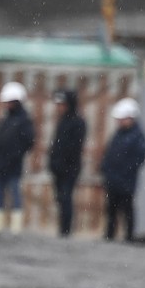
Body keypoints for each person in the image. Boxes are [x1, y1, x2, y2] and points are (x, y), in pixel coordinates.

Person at [0, 81, 36, 233]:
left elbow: (27, 143)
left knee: (15, 192)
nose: (6, 105)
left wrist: (12, 157)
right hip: (0, 165)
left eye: (9, 102)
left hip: (13, 165)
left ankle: (16, 225)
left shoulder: (24, 121)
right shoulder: (5, 120)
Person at [99, 97, 145, 241]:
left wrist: (124, 172)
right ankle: (110, 234)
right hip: (114, 179)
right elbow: (110, 154)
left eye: (122, 119)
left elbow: (139, 157)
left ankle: (129, 236)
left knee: (127, 209)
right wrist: (106, 169)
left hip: (126, 180)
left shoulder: (137, 136)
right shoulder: (119, 135)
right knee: (111, 209)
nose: (119, 122)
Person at [48, 88, 87, 237]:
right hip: (58, 168)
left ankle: (66, 230)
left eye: (62, 104)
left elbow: (73, 147)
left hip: (69, 168)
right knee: (60, 198)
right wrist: (53, 162)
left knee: (66, 197)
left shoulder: (78, 122)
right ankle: (62, 228)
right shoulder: (62, 121)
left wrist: (63, 163)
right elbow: (56, 145)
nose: (59, 108)